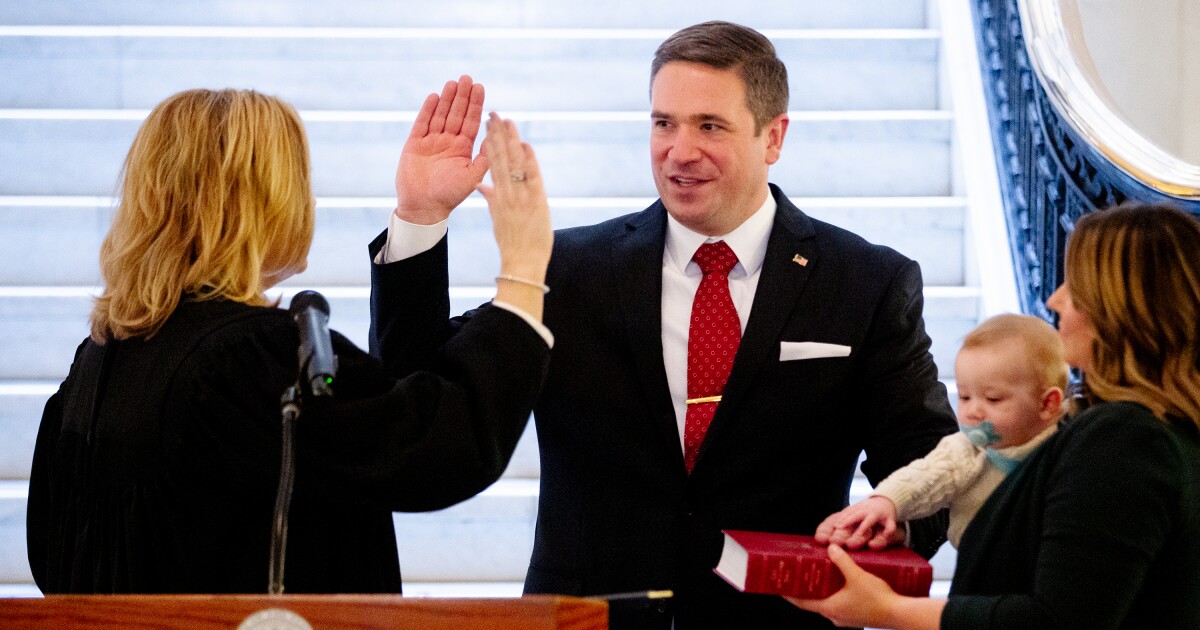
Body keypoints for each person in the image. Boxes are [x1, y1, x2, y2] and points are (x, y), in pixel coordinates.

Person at [372, 22, 957, 628]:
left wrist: (887, 526)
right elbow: (418, 388)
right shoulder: (569, 270)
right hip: (590, 619)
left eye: (709, 126)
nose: (679, 150)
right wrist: (420, 217)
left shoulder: (864, 281)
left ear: (773, 137)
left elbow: (929, 468)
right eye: (663, 123)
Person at [25, 88, 554, 594]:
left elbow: (53, 557)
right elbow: (437, 444)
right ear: (260, 198)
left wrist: (420, 217)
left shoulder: (98, 361)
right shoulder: (250, 361)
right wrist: (524, 268)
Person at [789, 203, 1200, 629]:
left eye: (1074, 288)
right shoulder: (1157, 429)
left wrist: (889, 609)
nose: (1054, 299)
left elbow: (1060, 620)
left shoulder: (1127, 437)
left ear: (1120, 309)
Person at [815, 313, 1068, 551]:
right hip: (978, 574)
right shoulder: (967, 449)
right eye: (965, 397)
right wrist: (886, 501)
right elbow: (926, 477)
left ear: (1048, 404)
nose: (974, 412)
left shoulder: (1068, 450)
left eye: (993, 399)